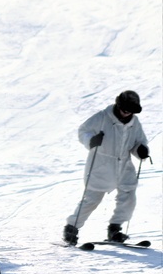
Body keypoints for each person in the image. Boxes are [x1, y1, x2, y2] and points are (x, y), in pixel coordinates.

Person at [63, 90, 150, 245]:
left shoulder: (134, 123)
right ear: (118, 105)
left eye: (130, 111)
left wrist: (141, 150)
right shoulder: (102, 117)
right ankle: (71, 229)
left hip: (124, 165)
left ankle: (115, 229)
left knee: (128, 197)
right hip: (101, 164)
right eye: (124, 109)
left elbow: (138, 142)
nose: (126, 113)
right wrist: (91, 140)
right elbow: (83, 131)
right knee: (91, 199)